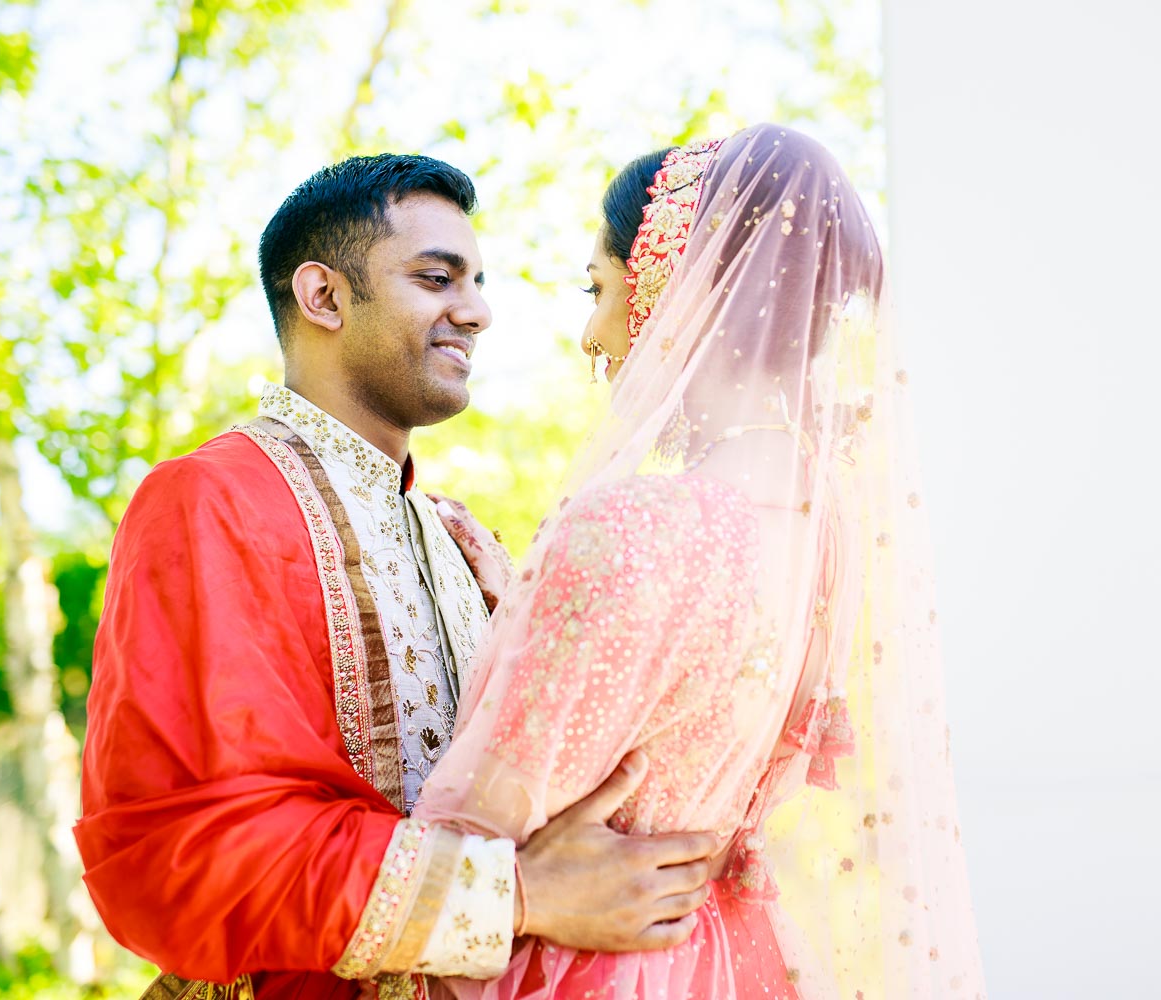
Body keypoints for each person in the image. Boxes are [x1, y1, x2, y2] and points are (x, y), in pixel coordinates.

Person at [74, 154, 721, 1000]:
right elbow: (184, 846)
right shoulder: (211, 500)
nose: (479, 311)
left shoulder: (457, 533)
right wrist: (519, 894)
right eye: (436, 277)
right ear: (324, 297)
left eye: (478, 281)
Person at [415, 126, 986, 998]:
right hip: (732, 953)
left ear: (676, 293)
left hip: (600, 961)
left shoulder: (638, 528)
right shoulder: (826, 533)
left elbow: (473, 833)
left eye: (598, 289)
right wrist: (523, 608)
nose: (590, 335)